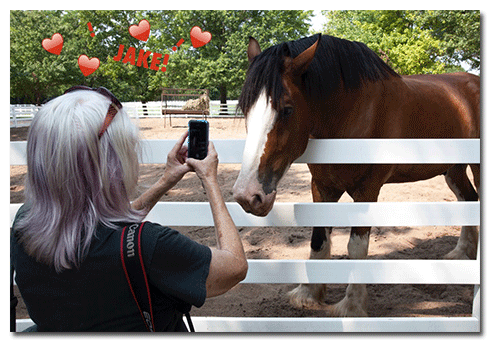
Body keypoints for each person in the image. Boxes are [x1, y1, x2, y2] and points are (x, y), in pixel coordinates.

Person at [10, 86, 248, 332]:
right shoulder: (151, 245)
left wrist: (165, 181)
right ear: (111, 165)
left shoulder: (23, 225)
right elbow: (234, 266)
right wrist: (210, 180)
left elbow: (107, 230)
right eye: (128, 148)